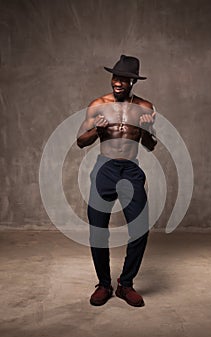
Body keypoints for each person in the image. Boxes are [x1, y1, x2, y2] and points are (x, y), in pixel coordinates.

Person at [77, 55, 157, 307]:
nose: (118, 83)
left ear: (133, 82)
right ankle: (103, 284)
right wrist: (97, 130)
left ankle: (125, 285)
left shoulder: (145, 107)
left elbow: (151, 146)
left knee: (139, 229)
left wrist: (146, 130)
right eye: (115, 77)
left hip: (131, 170)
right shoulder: (98, 105)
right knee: (98, 229)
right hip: (105, 169)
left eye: (124, 79)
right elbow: (81, 141)